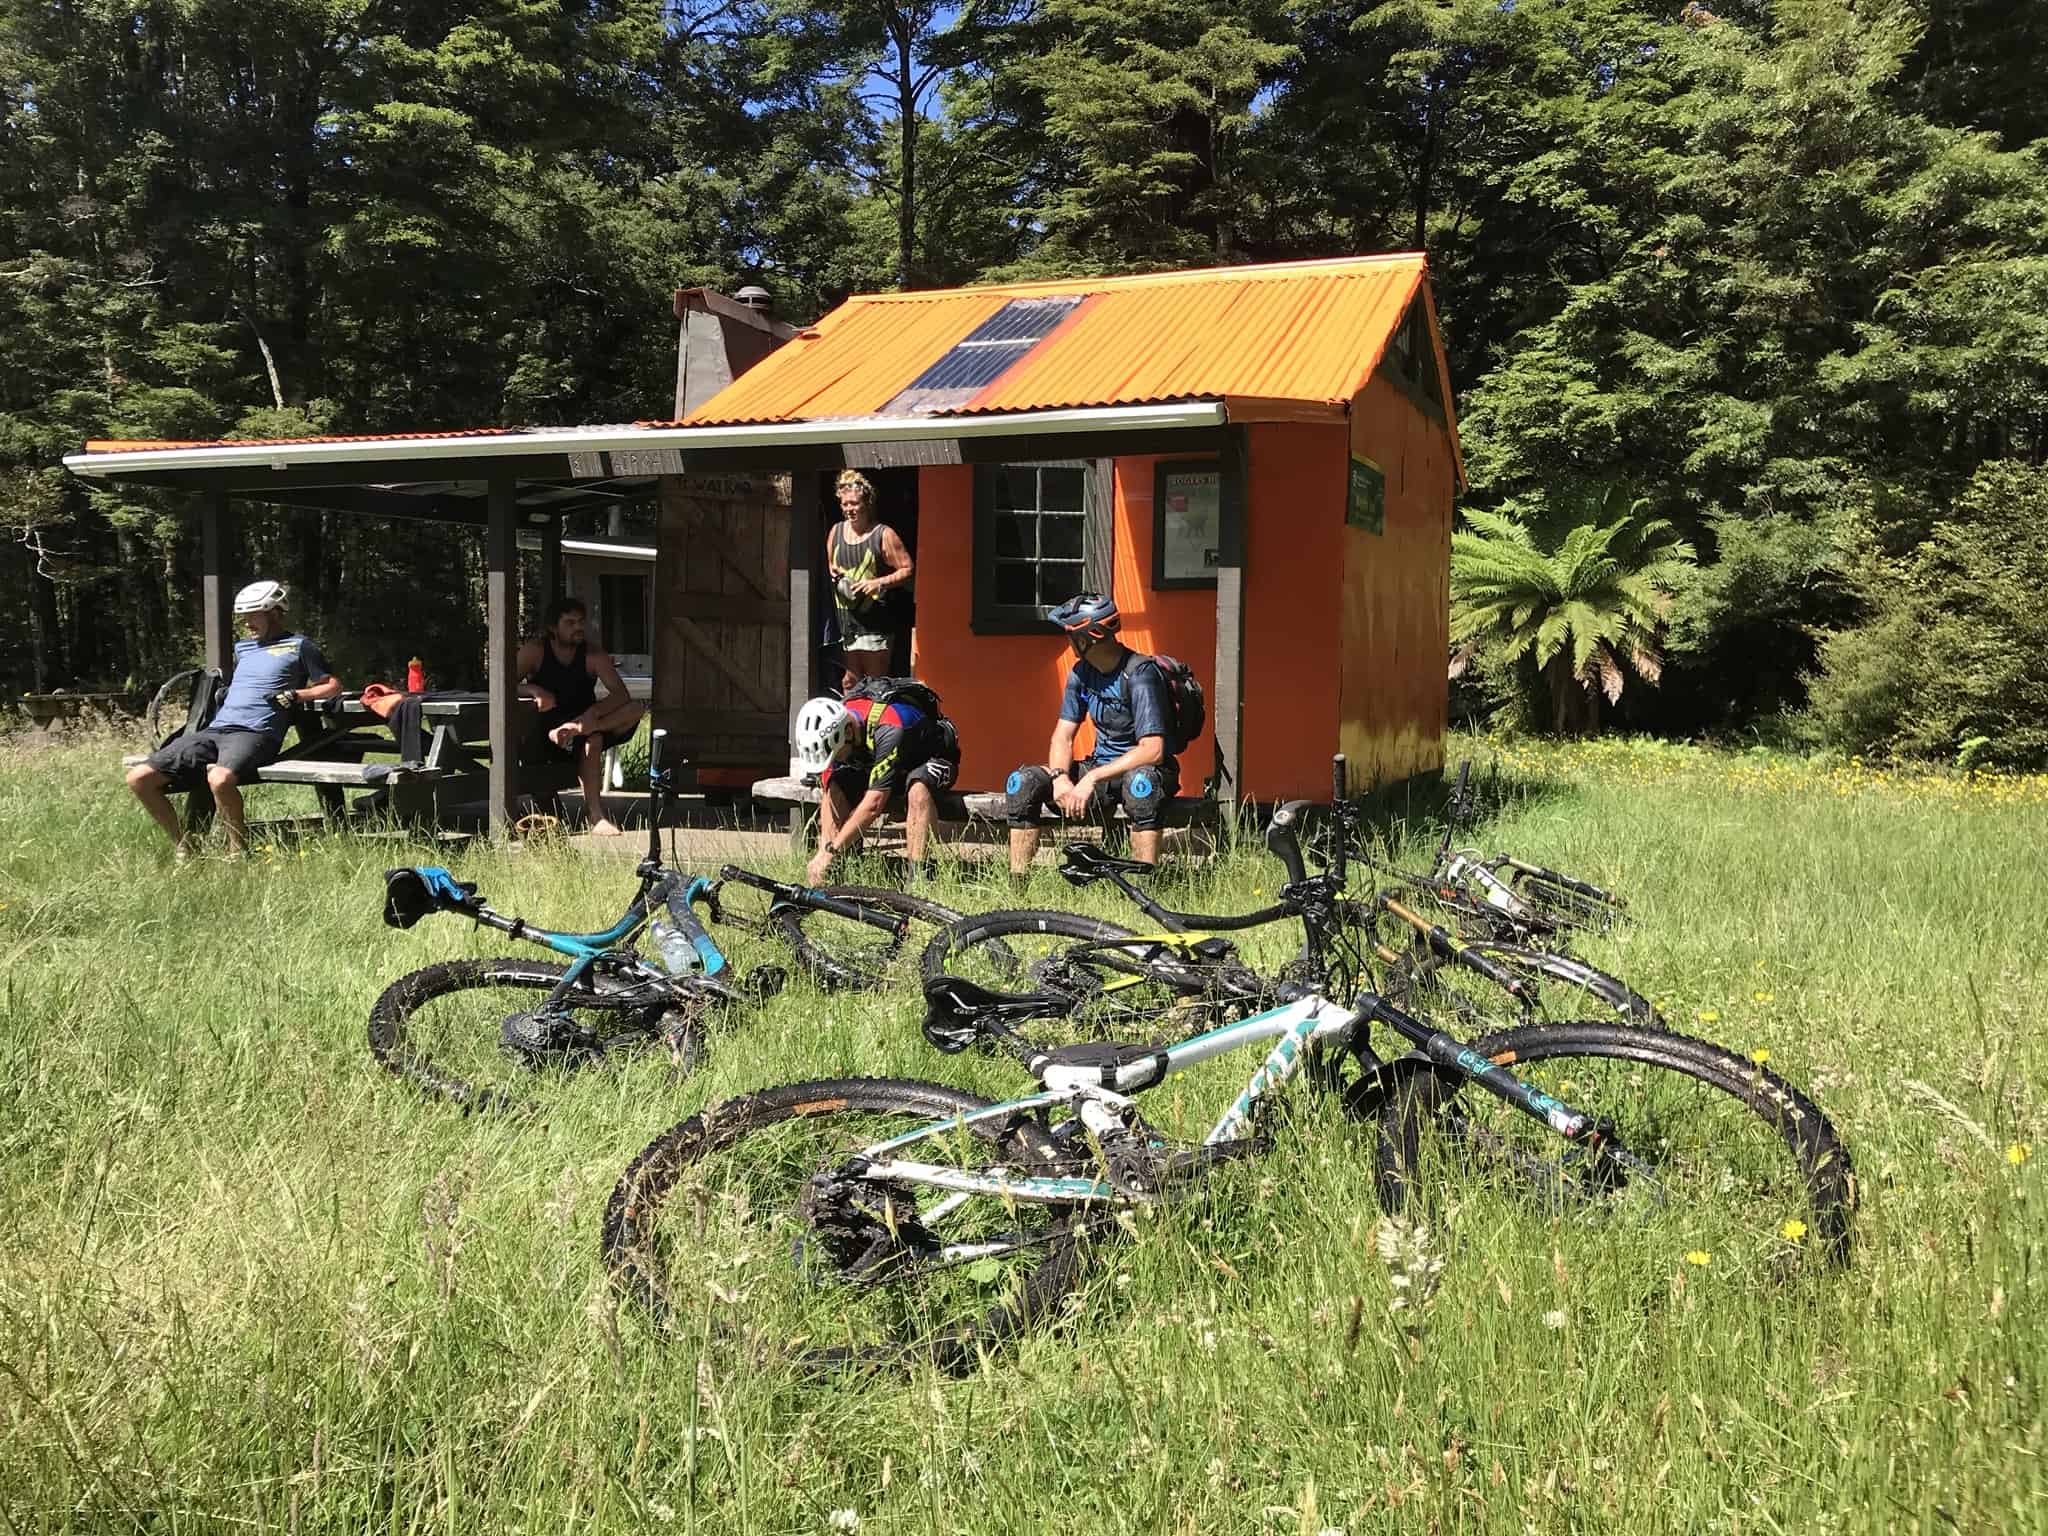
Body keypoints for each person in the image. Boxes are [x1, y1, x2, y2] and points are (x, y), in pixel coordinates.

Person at [125, 579, 341, 857]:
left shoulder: (300, 646)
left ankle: (238, 853)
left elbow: (332, 685)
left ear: (274, 612)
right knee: (139, 778)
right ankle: (185, 846)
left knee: (220, 778)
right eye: (244, 617)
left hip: (256, 732)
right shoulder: (244, 648)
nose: (247, 623)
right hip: (217, 729)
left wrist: (297, 695)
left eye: (253, 615)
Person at [1004, 592, 1179, 878]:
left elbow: (1153, 750)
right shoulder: (1081, 673)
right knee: (1021, 784)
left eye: (1070, 634)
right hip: (1101, 770)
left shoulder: (1140, 674)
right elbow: (1062, 736)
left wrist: (1091, 778)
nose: (1068, 640)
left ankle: (1146, 889)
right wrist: (1060, 777)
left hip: (1146, 772)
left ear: (1086, 638)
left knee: (1140, 785)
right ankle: (1018, 887)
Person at [795, 684, 959, 886]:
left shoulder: (890, 727)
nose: (835, 760)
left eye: (836, 755)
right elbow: (830, 794)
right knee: (837, 786)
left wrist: (831, 851)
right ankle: (840, 871)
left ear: (848, 732)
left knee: (918, 789)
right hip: (886, 764)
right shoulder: (836, 734)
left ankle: (919, 880)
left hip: (931, 759)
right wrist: (823, 850)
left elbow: (874, 803)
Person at [516, 596, 645, 835]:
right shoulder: (535, 651)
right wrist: (534, 690)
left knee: (636, 708)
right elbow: (500, 683)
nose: (578, 628)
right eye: (570, 622)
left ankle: (596, 817)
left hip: (588, 721)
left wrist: (591, 715)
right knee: (593, 740)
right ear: (553, 628)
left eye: (581, 622)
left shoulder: (593, 655)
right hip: (549, 729)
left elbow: (620, 695)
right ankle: (596, 817)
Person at [825, 469, 913, 691]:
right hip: (845, 621)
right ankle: (851, 726)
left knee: (875, 684)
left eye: (854, 504)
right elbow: (830, 565)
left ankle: (875, 726)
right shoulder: (835, 532)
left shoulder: (884, 535)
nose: (849, 509)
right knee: (849, 682)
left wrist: (876, 583)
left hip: (876, 620)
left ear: (867, 502)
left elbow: (907, 569)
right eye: (845, 504)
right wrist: (837, 576)